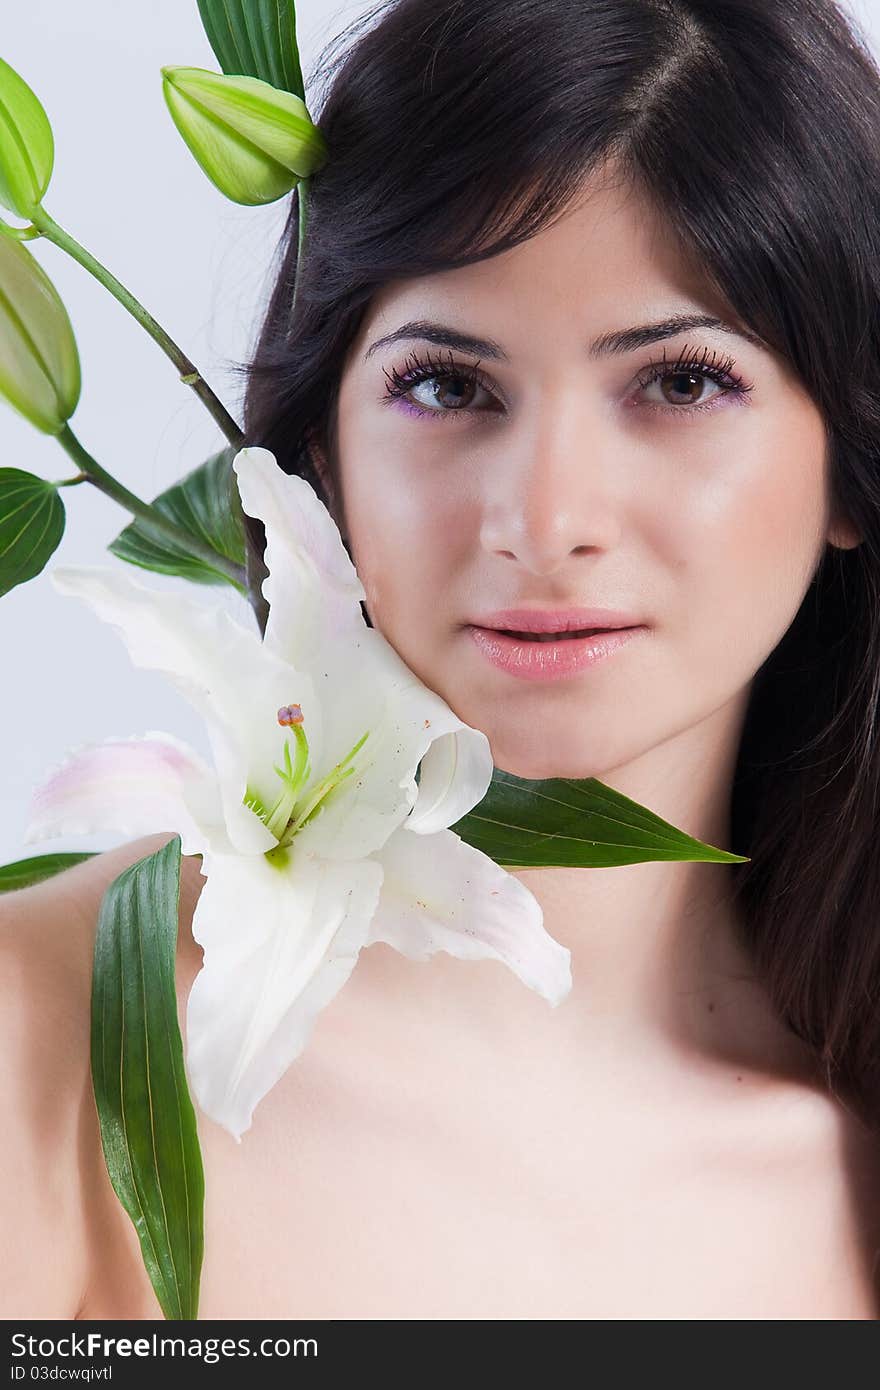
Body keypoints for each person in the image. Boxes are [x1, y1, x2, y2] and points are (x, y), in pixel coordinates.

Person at [3, 0, 880, 1320]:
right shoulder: (50, 1041)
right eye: (450, 387)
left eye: (683, 382)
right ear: (318, 457)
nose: (547, 520)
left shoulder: (845, 1141)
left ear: (851, 463)